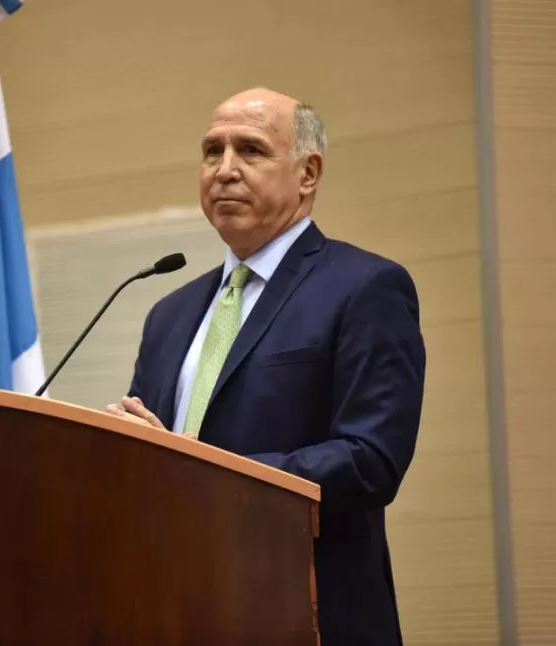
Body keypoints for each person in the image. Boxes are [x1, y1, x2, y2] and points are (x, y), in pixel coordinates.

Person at [106, 88, 426, 646]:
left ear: (308, 174)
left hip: (307, 613)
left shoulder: (364, 288)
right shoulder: (168, 313)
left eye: (250, 151)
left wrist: (201, 477)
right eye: (212, 151)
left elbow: (371, 459)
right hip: (177, 611)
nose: (224, 170)